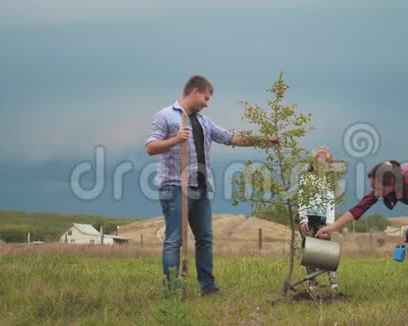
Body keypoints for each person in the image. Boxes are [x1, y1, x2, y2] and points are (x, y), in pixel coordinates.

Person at [145, 75, 279, 297]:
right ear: (195, 91)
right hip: (175, 186)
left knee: (205, 240)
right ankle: (171, 292)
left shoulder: (204, 122)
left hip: (201, 187)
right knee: (174, 240)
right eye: (205, 98)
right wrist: (176, 139)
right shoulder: (166, 116)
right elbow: (150, 147)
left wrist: (265, 140)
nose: (207, 104)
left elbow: (231, 137)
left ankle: (208, 288)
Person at [316, 160, 408, 297]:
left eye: (377, 188)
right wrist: (333, 227)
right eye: (372, 187)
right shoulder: (387, 183)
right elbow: (361, 207)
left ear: (391, 184)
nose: (375, 191)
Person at [298, 146, 339, 291]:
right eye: (319, 163)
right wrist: (303, 219)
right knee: (309, 251)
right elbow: (302, 199)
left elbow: (330, 202)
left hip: (323, 221)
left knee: (327, 250)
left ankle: (333, 281)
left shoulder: (328, 180)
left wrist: (330, 223)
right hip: (308, 219)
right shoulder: (306, 179)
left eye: (325, 163)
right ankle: (312, 282)